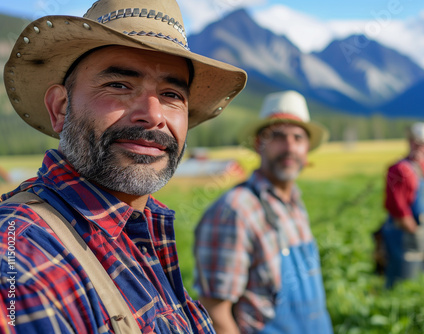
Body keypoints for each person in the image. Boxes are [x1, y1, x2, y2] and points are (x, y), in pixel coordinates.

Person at [0, 0, 247, 333]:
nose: (154, 115)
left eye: (172, 94)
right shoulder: (19, 260)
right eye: (119, 85)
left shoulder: (143, 228)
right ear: (60, 108)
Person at [193, 90, 333, 334]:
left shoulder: (295, 202)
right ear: (259, 144)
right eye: (278, 136)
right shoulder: (235, 210)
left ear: (307, 148)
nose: (289, 147)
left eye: (298, 138)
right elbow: (216, 313)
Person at [381, 122, 424, 288]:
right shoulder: (399, 169)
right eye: (416, 142)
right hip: (404, 233)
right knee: (401, 279)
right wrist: (414, 230)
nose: (420, 148)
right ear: (410, 141)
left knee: (418, 277)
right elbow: (397, 208)